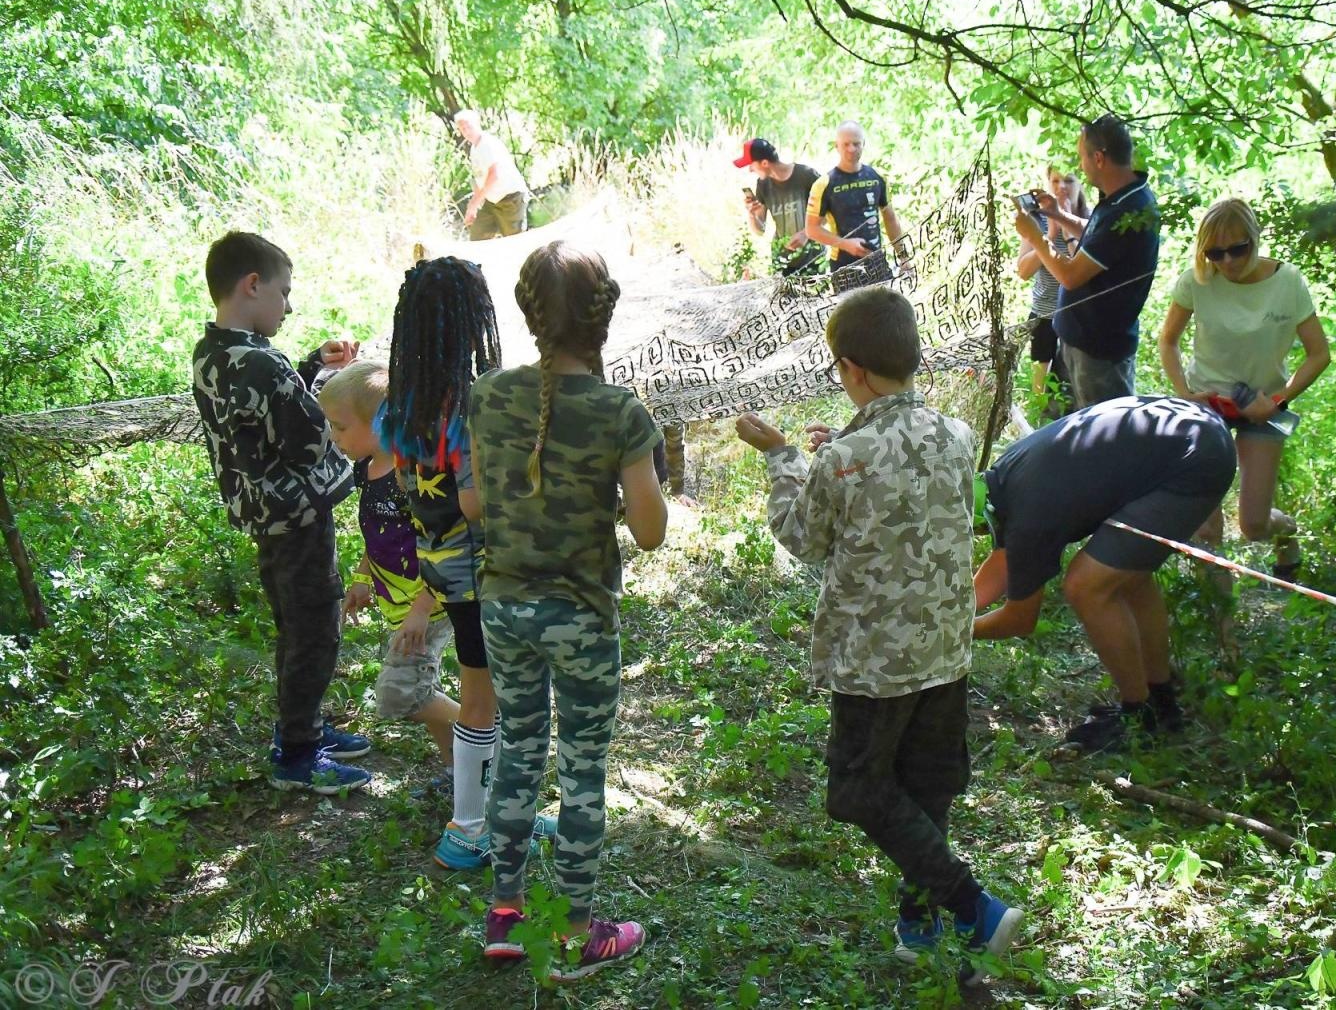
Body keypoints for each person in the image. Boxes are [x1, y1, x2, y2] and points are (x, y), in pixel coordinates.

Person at [734, 286, 1023, 986]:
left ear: (852, 370)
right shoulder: (953, 436)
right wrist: (837, 452)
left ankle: (972, 906)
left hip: (873, 662)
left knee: (859, 790)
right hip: (944, 650)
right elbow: (904, 486)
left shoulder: (845, 459)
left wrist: (780, 456)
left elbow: (803, 536)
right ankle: (919, 925)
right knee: (926, 787)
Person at [469, 240, 666, 979]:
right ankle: (577, 933)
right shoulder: (620, 411)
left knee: (518, 750)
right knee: (582, 772)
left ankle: (505, 914)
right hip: (580, 617)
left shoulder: (486, 396)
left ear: (530, 314)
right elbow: (648, 532)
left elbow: (480, 502)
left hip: (503, 607)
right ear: (600, 316)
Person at [191, 231, 372, 793]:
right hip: (296, 518)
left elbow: (265, 407)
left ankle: (304, 728)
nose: (289, 306)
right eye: (284, 293)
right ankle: (298, 754)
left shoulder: (215, 351)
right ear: (252, 285)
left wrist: (311, 367)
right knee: (314, 629)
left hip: (263, 516)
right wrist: (336, 389)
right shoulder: (262, 366)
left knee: (293, 625)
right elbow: (312, 438)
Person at [973, 396, 1236, 753]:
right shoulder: (1005, 478)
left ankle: (1138, 720)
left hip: (1194, 460)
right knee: (1129, 576)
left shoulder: (1028, 515)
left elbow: (1020, 619)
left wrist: (954, 633)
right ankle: (1162, 701)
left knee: (1088, 585)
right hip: (1196, 430)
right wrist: (954, 608)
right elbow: (1005, 562)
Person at [378, 257, 503, 869]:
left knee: (482, 695)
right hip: (484, 579)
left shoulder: (401, 408)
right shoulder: (474, 407)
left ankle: (488, 813)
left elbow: (412, 497)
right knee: (483, 701)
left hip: (442, 571)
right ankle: (471, 829)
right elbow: (476, 503)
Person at [1157, 198, 1331, 580]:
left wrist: (1278, 400)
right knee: (1205, 527)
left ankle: (1285, 532)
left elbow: (1319, 354)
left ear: (1255, 240)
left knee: (1253, 524)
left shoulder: (1287, 282)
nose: (1229, 261)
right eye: (1216, 253)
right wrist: (1185, 393)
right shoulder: (1196, 281)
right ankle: (1221, 625)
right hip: (1207, 403)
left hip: (1262, 406)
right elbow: (1168, 340)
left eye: (1239, 249)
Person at [321, 360, 461, 786]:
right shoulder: (368, 470)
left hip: (429, 606)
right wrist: (364, 576)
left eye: (341, 427)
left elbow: (441, 542)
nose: (334, 436)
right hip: (398, 603)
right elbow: (377, 533)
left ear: (381, 421)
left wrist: (422, 608)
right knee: (415, 692)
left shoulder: (411, 474)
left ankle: (482, 732)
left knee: (399, 696)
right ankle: (459, 769)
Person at [1013, 114, 1160, 408]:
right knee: (1065, 424)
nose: (1081, 166)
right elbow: (1097, 235)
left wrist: (1037, 237)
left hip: (1099, 356)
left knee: (1099, 437)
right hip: (1077, 342)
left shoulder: (1128, 208)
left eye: (1082, 158)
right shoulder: (1122, 199)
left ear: (1099, 158)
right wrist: (1057, 214)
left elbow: (1070, 275)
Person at [1016, 167, 1088, 415]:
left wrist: (1066, 226)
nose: (1062, 187)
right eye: (1055, 180)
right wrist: (1047, 236)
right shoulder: (1037, 218)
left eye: (1069, 180)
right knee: (1041, 397)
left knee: (1076, 394)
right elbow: (1023, 271)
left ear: (1081, 183)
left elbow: (1080, 267)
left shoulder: (1091, 220)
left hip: (1080, 319)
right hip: (1044, 316)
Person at [806, 122, 910, 293]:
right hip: (844, 266)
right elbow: (812, 229)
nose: (851, 149)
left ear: (864, 144)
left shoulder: (876, 178)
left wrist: (903, 257)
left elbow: (890, 219)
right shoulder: (824, 183)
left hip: (876, 261)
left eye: (856, 143)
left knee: (887, 314)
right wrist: (845, 244)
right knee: (853, 319)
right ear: (836, 146)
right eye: (846, 144)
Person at [735, 137, 824, 276]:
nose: (750, 170)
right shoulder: (763, 185)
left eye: (751, 165)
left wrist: (806, 233)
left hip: (814, 258)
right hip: (782, 261)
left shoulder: (806, 175)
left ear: (764, 163)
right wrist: (752, 214)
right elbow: (760, 230)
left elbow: (829, 212)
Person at [454, 109, 530, 240]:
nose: (466, 131)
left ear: (477, 124)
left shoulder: (488, 143)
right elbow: (479, 180)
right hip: (492, 201)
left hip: (511, 199)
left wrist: (474, 203)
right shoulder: (474, 149)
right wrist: (473, 207)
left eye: (468, 126)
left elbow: (494, 175)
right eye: (462, 128)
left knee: (515, 242)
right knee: (478, 237)